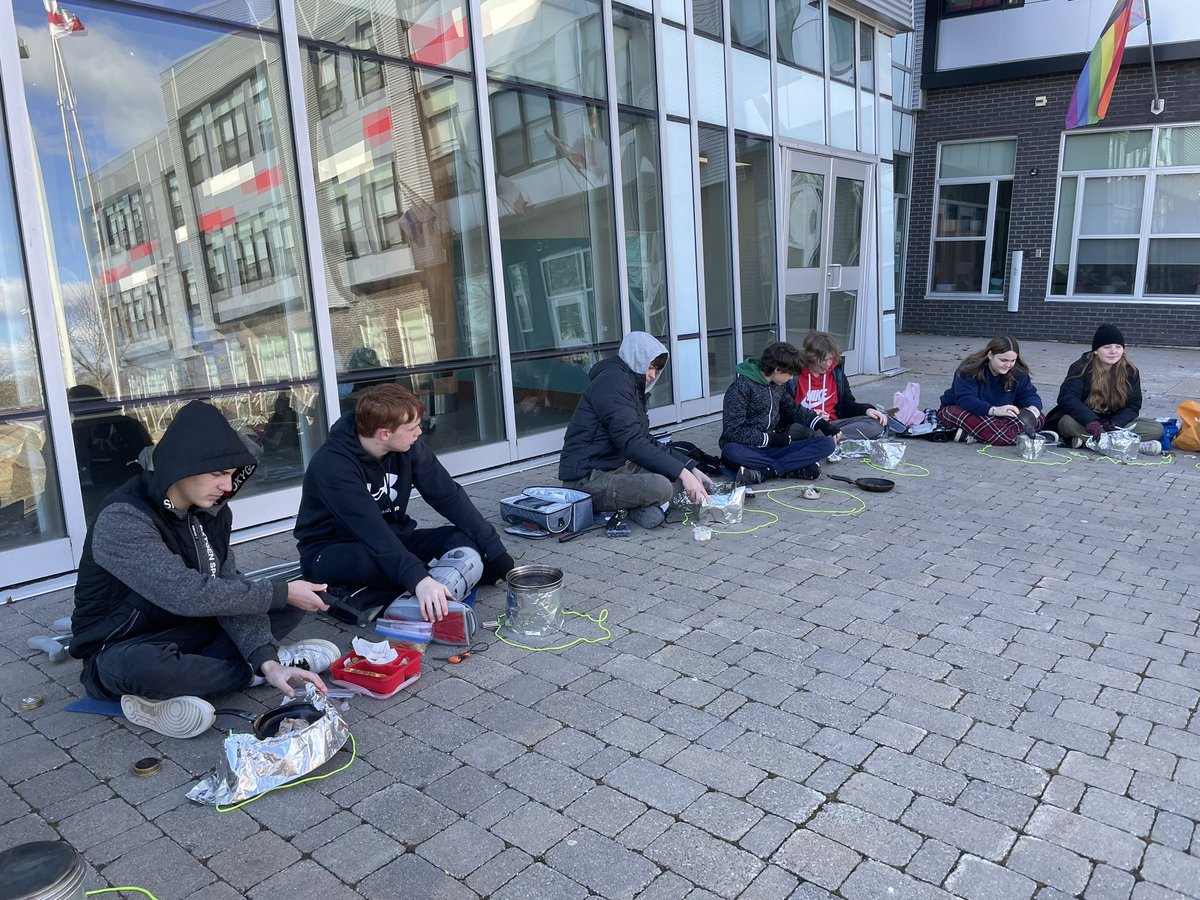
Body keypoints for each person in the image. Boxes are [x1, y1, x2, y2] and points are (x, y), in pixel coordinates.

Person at [70, 400, 337, 740]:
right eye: (217, 474)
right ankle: (248, 674)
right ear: (180, 468)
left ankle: (262, 666)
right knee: (148, 668)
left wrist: (265, 656)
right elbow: (183, 593)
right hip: (125, 646)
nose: (227, 487)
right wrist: (278, 596)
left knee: (286, 604)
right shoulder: (124, 517)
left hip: (190, 626)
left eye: (229, 475)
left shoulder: (213, 512)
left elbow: (226, 587)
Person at [296, 384, 514, 623]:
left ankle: (426, 593)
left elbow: (448, 495)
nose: (419, 432)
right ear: (384, 434)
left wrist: (494, 550)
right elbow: (371, 530)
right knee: (382, 566)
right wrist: (419, 579)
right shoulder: (333, 466)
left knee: (465, 541)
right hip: (333, 550)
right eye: (411, 428)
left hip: (393, 538)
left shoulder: (407, 446)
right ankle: (423, 591)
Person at [559, 332, 713, 528]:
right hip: (586, 479)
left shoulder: (630, 383)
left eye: (656, 369)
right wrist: (683, 474)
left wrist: (690, 467)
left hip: (616, 467)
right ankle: (639, 505)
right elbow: (633, 444)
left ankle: (636, 505)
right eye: (650, 367)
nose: (652, 375)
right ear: (636, 359)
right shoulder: (613, 385)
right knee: (663, 486)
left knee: (675, 477)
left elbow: (645, 439)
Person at [720, 341, 838, 484]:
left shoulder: (777, 386)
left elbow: (794, 409)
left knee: (826, 444)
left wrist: (822, 424)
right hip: (747, 449)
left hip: (773, 449)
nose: (791, 378)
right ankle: (788, 468)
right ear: (777, 370)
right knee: (731, 452)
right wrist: (772, 439)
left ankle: (766, 472)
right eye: (789, 374)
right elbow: (733, 432)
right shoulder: (740, 388)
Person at [1045, 324, 1164, 453]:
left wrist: (1115, 423)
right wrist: (1090, 420)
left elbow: (1133, 405)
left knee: (1156, 428)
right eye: (1107, 347)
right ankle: (1122, 445)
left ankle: (1089, 442)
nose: (1113, 351)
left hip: (1112, 424)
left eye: (1118, 347)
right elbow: (1067, 398)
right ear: (1096, 350)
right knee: (1066, 422)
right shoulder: (1081, 368)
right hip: (1084, 421)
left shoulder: (1131, 372)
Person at [937, 336, 1050, 446]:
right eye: (1003, 360)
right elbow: (966, 399)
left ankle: (974, 434)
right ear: (990, 355)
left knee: (1039, 417)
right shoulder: (969, 370)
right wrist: (993, 410)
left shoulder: (1018, 372)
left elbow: (1028, 394)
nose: (1008, 365)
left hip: (1000, 415)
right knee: (986, 426)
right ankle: (1027, 437)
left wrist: (1033, 407)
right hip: (965, 409)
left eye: (1012, 360)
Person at [793, 332, 888, 440]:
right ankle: (829, 440)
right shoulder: (794, 377)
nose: (828, 364)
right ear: (811, 357)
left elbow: (848, 404)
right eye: (824, 360)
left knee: (876, 423)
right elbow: (787, 411)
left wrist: (867, 410)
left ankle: (828, 439)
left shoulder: (836, 374)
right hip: (808, 426)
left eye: (831, 359)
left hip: (834, 424)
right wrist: (810, 416)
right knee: (797, 431)